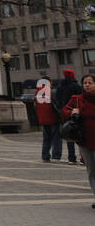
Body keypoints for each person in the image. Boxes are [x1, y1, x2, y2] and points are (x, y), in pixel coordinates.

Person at [59, 74, 95, 208]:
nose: (87, 85)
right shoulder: (77, 99)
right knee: (91, 170)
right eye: (85, 83)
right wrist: (72, 112)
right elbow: (64, 110)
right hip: (84, 138)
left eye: (90, 82)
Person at [53, 68, 82, 165]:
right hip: (76, 113)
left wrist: (61, 110)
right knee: (80, 135)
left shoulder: (60, 87)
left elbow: (56, 100)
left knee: (69, 135)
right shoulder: (76, 86)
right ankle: (83, 158)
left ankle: (71, 158)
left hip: (65, 114)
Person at [36, 78, 62, 162]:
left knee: (46, 138)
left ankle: (45, 156)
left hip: (43, 119)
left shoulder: (37, 93)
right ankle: (56, 156)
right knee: (56, 138)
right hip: (53, 118)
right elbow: (56, 104)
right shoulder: (50, 91)